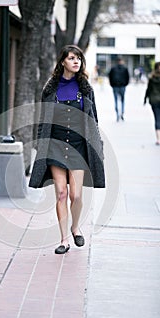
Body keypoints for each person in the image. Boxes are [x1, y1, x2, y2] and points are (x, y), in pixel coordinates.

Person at [29, 45, 105, 254]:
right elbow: (43, 120)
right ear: (62, 61)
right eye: (71, 58)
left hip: (78, 146)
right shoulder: (50, 89)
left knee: (76, 196)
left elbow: (93, 119)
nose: (76, 61)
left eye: (78, 58)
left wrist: (97, 144)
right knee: (61, 193)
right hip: (55, 145)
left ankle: (75, 227)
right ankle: (64, 239)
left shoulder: (85, 88)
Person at [108, 57, 130, 122]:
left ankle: (117, 114)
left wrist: (112, 84)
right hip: (122, 86)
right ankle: (122, 113)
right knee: (122, 100)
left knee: (116, 100)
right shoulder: (125, 68)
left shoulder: (113, 68)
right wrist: (125, 84)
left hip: (115, 86)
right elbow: (128, 77)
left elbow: (110, 76)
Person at [144, 62, 160, 145]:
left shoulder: (151, 78)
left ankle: (158, 139)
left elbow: (148, 90)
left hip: (154, 100)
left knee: (157, 118)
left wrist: (145, 99)